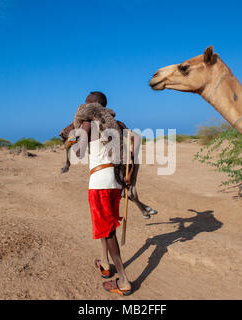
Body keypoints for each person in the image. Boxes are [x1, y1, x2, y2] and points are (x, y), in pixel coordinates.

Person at [77, 91, 132, 296]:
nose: (83, 106)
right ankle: (105, 263)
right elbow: (133, 141)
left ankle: (124, 280)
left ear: (92, 105)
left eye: (86, 103)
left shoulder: (88, 123)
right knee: (106, 225)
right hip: (115, 181)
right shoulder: (118, 124)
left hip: (99, 183)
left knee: (107, 230)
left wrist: (75, 140)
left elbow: (79, 153)